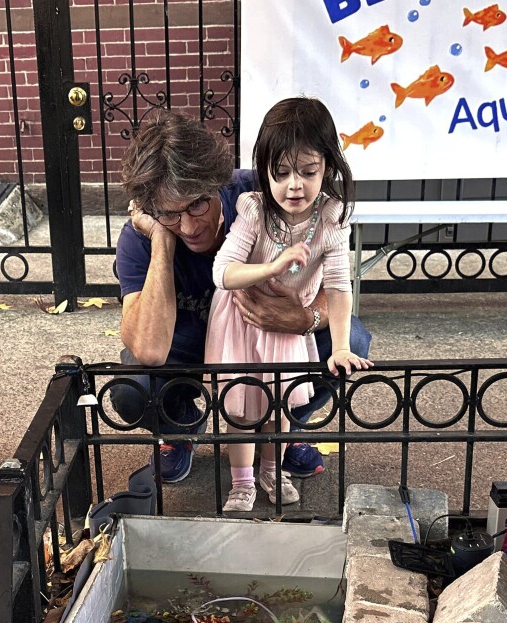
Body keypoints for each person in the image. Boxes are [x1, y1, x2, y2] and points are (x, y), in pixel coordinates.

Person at [113, 111, 372, 482]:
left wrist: (304, 318)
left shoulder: (265, 193)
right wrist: (161, 241)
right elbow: (149, 349)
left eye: (197, 205)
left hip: (269, 336)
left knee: (353, 342)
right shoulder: (141, 236)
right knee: (132, 388)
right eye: (170, 214)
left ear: (217, 183)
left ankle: (283, 428)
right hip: (188, 345)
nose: (188, 226)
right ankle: (181, 429)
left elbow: (333, 279)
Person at [207, 98, 373, 510]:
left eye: (308, 172)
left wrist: (339, 348)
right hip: (242, 320)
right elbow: (222, 272)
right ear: (264, 171)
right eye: (280, 173)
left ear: (328, 168)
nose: (293, 185)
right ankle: (242, 481)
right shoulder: (254, 209)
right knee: (243, 405)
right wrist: (272, 266)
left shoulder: (332, 218)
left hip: (285, 323)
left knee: (279, 401)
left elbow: (337, 287)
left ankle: (271, 468)